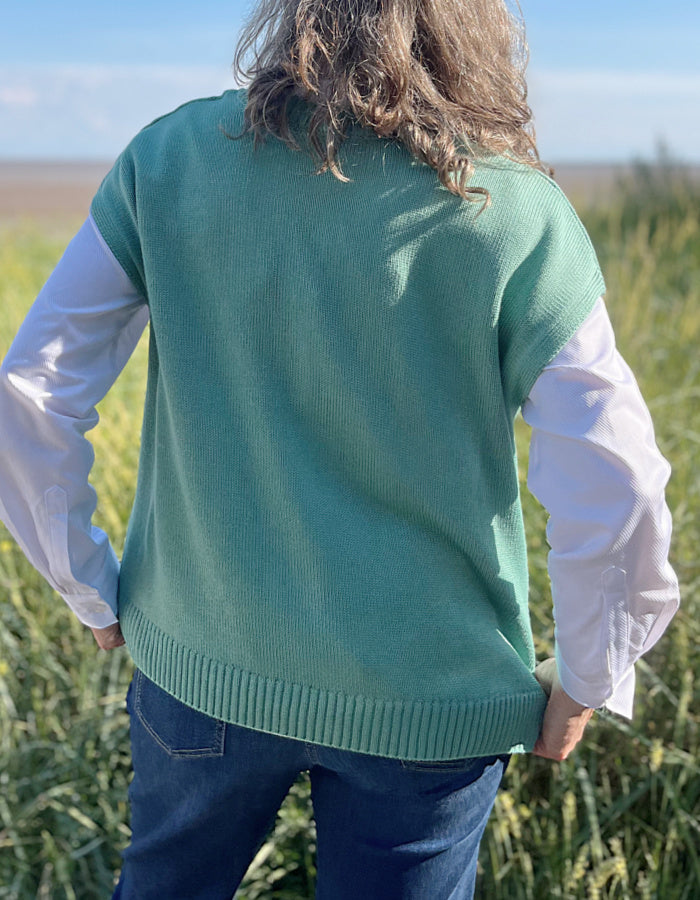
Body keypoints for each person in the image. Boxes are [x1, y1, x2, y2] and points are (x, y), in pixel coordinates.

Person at [0, 0, 679, 897]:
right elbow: (617, 481)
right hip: (431, 705)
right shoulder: (516, 213)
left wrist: (86, 585)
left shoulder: (169, 159)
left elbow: (32, 393)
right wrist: (590, 673)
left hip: (199, 664)